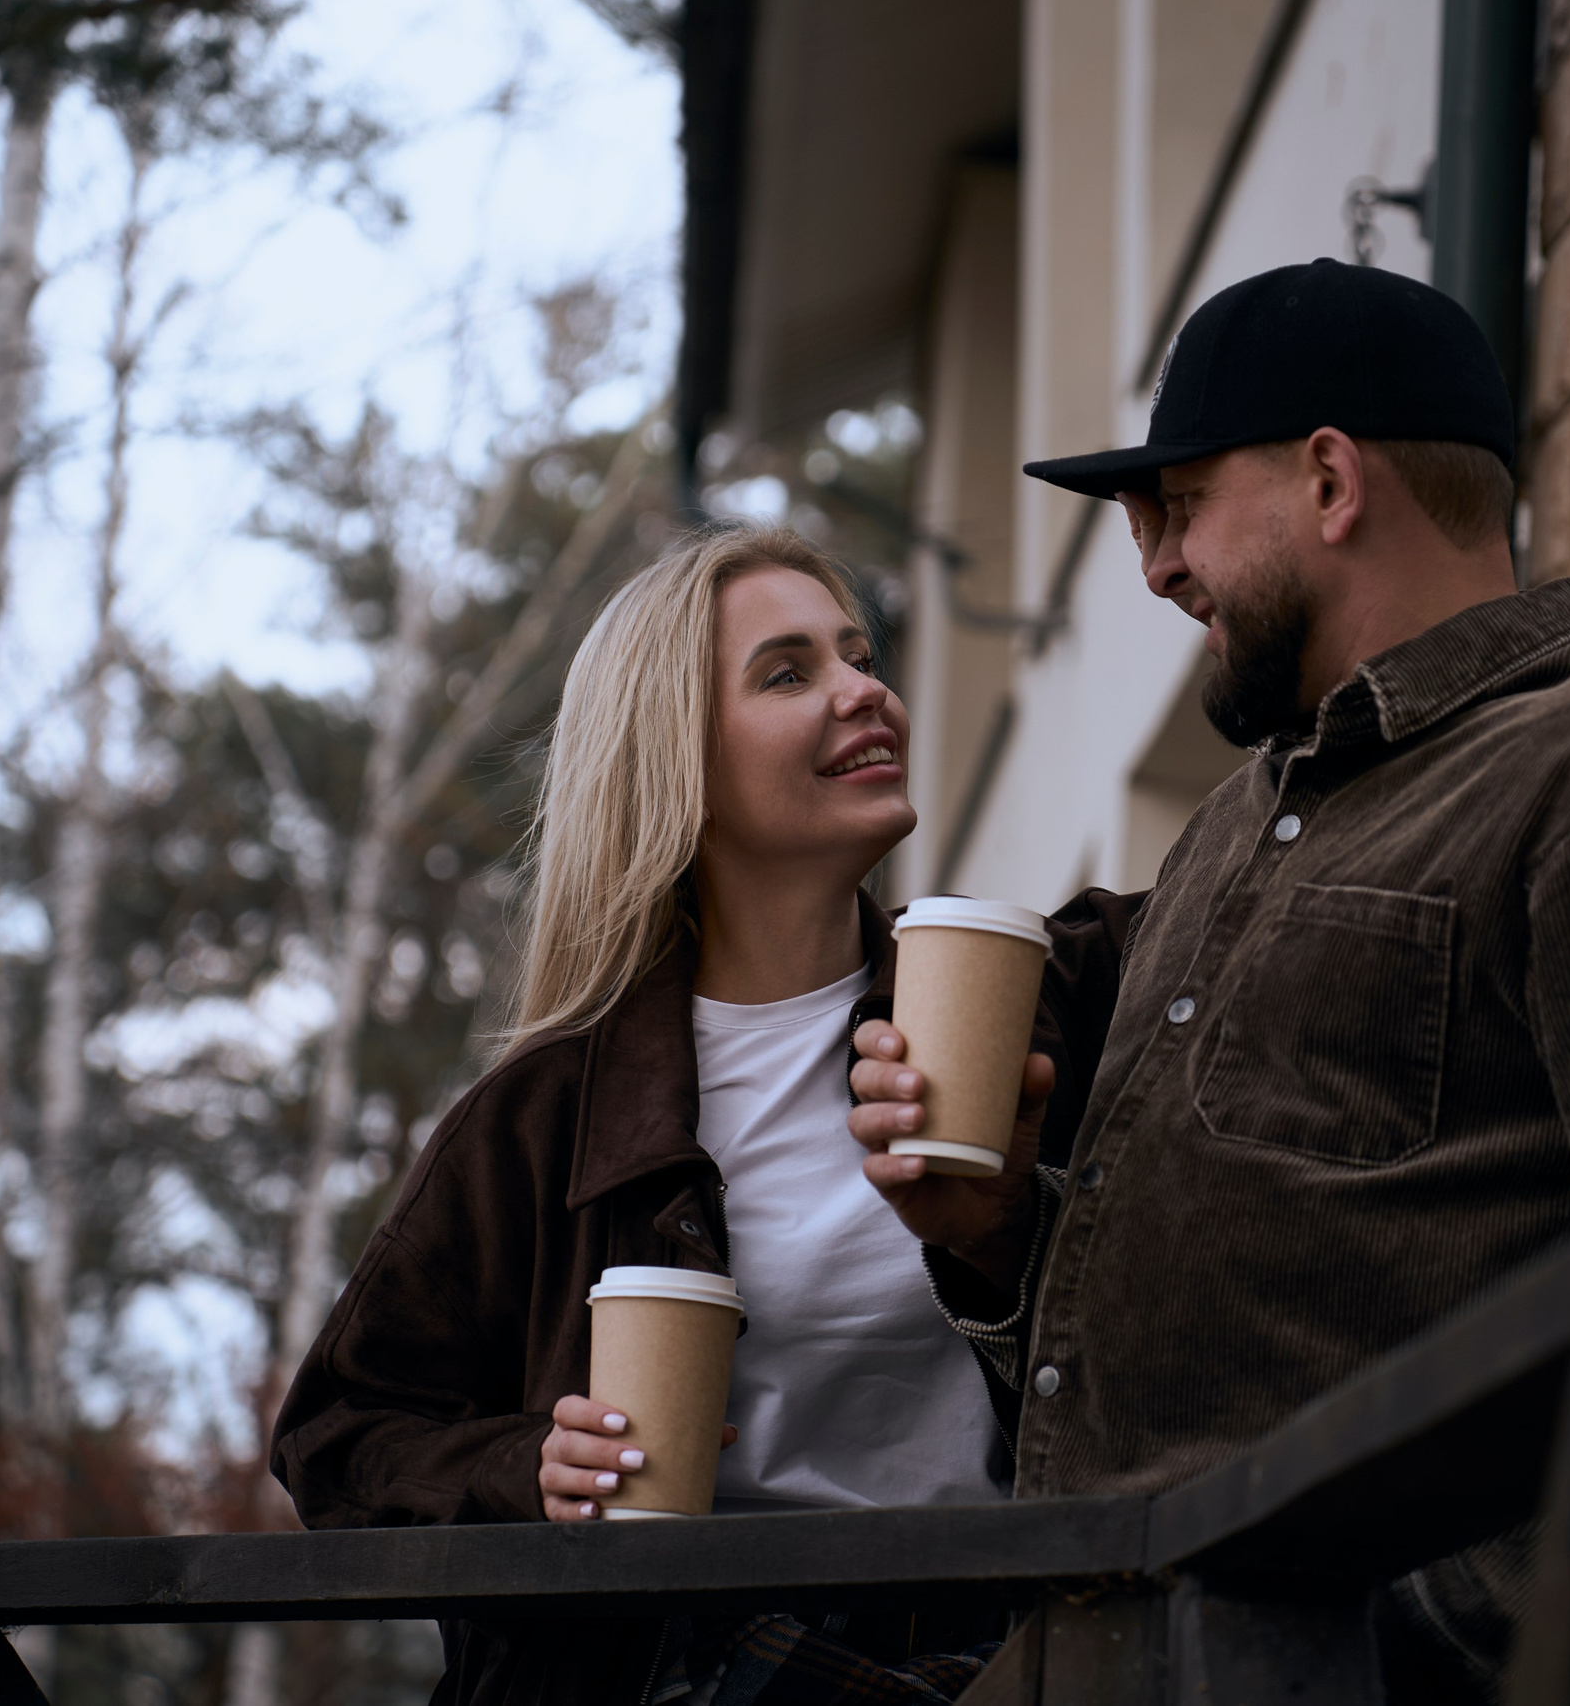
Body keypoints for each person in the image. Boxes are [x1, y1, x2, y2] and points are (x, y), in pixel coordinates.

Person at [847, 259, 1570, 1700]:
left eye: (1178, 505)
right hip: (1108, 1638)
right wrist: (1000, 1234)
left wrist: (1405, 1627)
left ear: (1331, 481)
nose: (1152, 565)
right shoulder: (1227, 829)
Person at [272, 526, 1016, 1706]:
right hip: (688, 1665)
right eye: (788, 672)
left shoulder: (1020, 1008)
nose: (863, 690)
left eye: (858, 654)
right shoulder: (540, 1117)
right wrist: (531, 1467)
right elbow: (338, 1436)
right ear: (678, 759)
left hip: (1013, 1630)